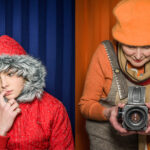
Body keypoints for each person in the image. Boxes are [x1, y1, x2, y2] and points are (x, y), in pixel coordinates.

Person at [79, 0, 150, 150]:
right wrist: (108, 112)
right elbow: (85, 105)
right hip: (107, 142)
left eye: (147, 47)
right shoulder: (105, 53)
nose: (138, 56)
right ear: (119, 40)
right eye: (130, 46)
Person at [0, 35, 74, 150]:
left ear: (25, 73)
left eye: (10, 74)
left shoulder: (54, 108)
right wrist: (1, 129)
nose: (4, 84)